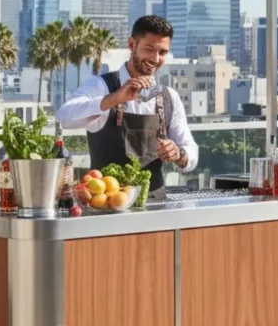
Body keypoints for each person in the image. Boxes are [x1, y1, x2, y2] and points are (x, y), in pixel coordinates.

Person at [56, 15, 198, 201]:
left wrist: (179, 153)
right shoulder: (101, 86)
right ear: (132, 45)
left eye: (162, 52)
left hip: (157, 207)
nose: (155, 59)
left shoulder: (169, 96)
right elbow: (63, 117)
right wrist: (115, 98)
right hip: (106, 206)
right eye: (149, 49)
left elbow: (190, 150)